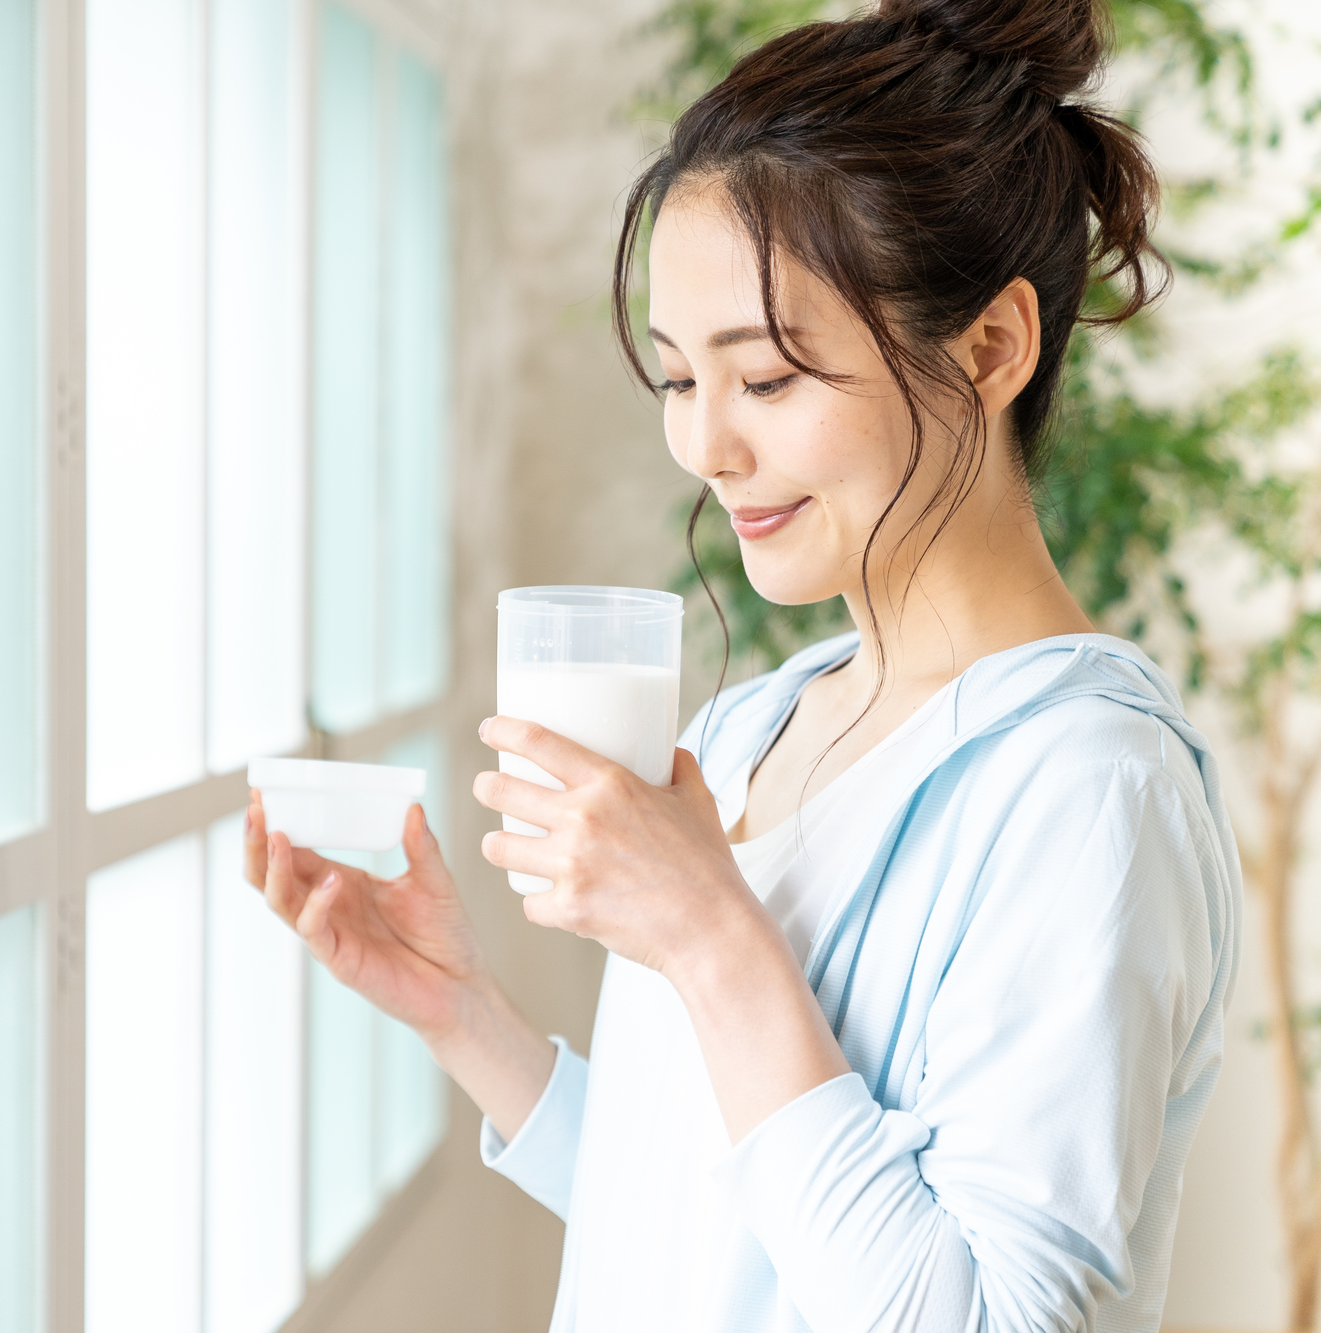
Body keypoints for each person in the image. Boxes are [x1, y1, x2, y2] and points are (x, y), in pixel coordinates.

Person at [242, 0, 1241, 1327]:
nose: (706, 448)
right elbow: (712, 1217)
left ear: (992, 347)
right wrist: (461, 1013)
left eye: (766, 379)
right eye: (676, 380)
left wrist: (711, 932)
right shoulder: (750, 732)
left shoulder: (1088, 790)